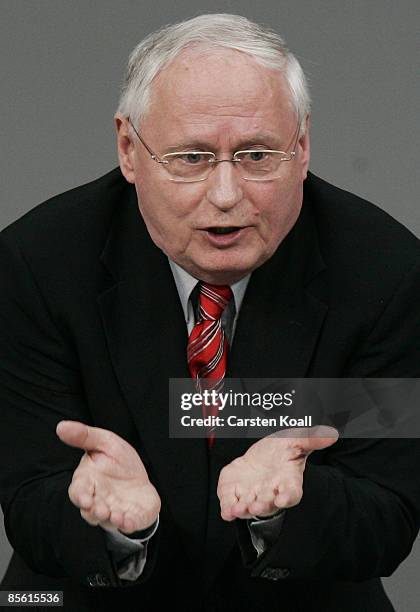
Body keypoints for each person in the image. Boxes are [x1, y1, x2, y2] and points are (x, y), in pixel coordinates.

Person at [0, 13, 419, 612]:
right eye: (191, 158)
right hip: (86, 591)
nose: (226, 195)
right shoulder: (36, 265)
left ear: (301, 148)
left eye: (256, 155)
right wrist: (120, 528)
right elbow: (28, 498)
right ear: (128, 149)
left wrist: (286, 507)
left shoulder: (389, 272)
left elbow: (389, 513)